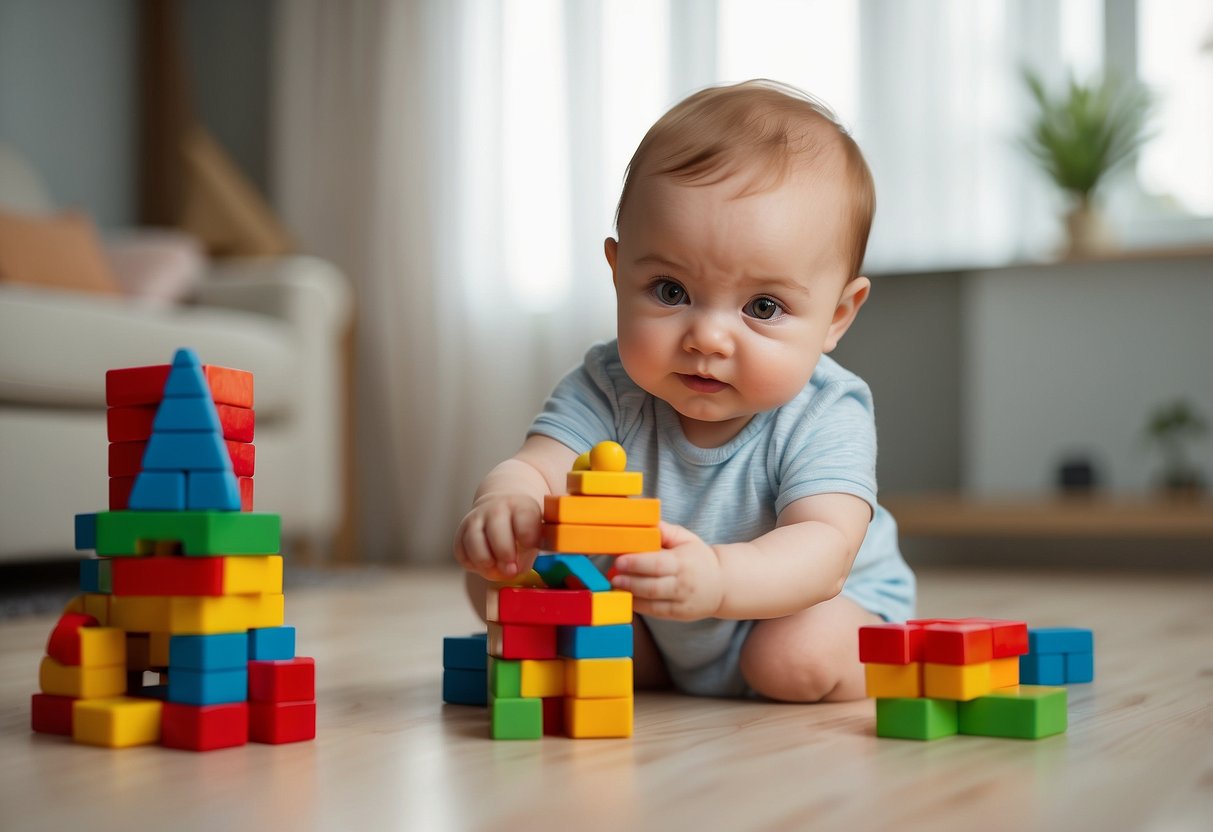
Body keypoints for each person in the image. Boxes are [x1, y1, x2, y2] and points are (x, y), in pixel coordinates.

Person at [453, 79, 915, 702]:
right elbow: (538, 467)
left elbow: (823, 550)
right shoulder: (606, 386)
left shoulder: (826, 409)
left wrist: (720, 579)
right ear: (619, 274)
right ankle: (650, 669)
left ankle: (880, 660)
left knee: (791, 658)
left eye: (763, 305)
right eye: (671, 291)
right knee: (499, 584)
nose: (708, 338)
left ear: (837, 316)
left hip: (805, 607)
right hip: (660, 612)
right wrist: (505, 506)